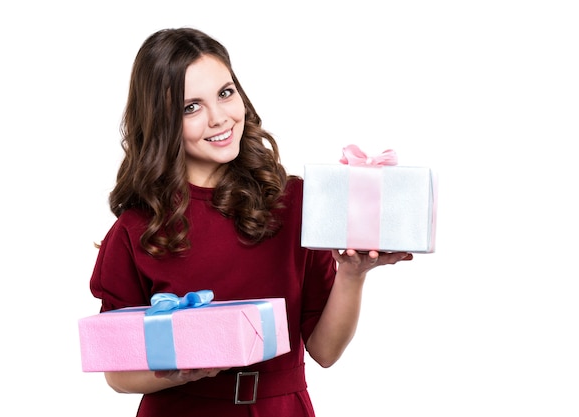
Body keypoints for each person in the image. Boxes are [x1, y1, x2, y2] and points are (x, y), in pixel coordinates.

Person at [89, 27, 414, 417]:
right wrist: (184, 372)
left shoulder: (295, 203)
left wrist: (352, 273)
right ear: (162, 121)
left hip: (282, 408)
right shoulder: (136, 228)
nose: (219, 118)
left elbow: (325, 352)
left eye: (226, 93)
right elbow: (117, 373)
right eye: (191, 107)